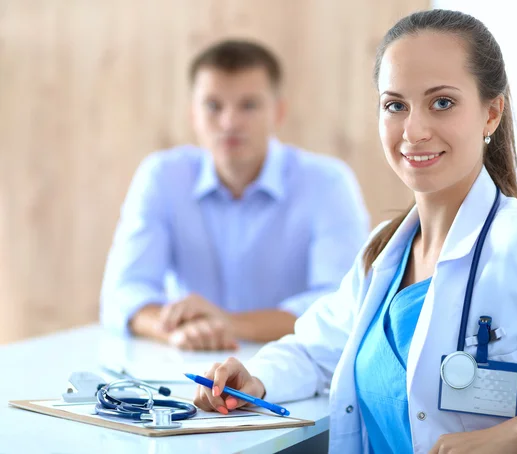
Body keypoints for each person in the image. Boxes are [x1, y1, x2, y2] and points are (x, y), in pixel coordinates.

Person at [192, 10, 517, 454]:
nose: (414, 131)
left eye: (441, 102)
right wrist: (254, 378)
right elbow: (314, 350)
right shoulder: (384, 250)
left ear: (491, 113)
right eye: (395, 105)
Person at [100, 40, 370, 351]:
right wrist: (182, 332)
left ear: (278, 112)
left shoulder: (328, 183)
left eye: (249, 105)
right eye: (213, 106)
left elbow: (341, 306)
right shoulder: (161, 176)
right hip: (183, 366)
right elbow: (124, 294)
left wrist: (230, 324)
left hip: (290, 366)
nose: (229, 123)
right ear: (193, 114)